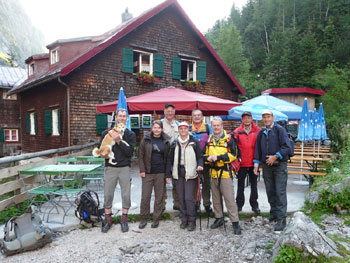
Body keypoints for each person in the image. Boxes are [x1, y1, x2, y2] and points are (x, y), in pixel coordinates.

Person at [253, 109, 292, 231]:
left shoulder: (280, 130)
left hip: (279, 165)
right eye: (264, 117)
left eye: (268, 116)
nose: (266, 119)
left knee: (280, 191)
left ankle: (281, 219)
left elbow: (287, 147)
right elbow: (258, 149)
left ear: (273, 117)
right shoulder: (262, 132)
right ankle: (274, 213)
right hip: (266, 166)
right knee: (270, 191)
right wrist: (256, 164)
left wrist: (275, 156)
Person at [100, 109, 136, 233]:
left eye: (124, 116)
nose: (121, 118)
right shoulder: (106, 133)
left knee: (126, 194)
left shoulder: (130, 134)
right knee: (108, 194)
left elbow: (130, 153)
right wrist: (103, 155)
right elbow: (102, 149)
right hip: (110, 168)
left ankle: (124, 219)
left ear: (127, 119)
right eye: (119, 116)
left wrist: (119, 141)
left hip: (124, 168)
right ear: (116, 118)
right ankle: (108, 219)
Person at [204, 116, 241, 235]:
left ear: (221, 126)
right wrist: (207, 159)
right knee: (216, 199)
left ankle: (235, 222)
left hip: (225, 172)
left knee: (229, 199)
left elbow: (233, 155)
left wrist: (218, 158)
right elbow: (204, 155)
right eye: (214, 125)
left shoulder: (229, 138)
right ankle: (219, 218)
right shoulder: (209, 139)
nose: (216, 127)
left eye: (218, 125)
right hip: (213, 173)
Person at [166, 121, 203, 231]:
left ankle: (192, 220)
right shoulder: (174, 143)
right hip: (178, 172)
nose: (183, 131)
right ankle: (184, 219)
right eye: (181, 129)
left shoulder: (194, 142)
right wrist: (168, 174)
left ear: (188, 130)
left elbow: (200, 156)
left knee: (188, 198)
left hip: (190, 172)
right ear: (179, 130)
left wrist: (200, 165)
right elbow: (169, 159)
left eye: (185, 129)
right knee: (181, 197)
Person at [138, 120, 170, 229]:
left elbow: (168, 159)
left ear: (161, 129)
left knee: (159, 197)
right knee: (145, 197)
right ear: (152, 128)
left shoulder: (166, 141)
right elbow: (140, 155)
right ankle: (143, 219)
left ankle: (156, 219)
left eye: (158, 128)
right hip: (147, 173)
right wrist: (142, 170)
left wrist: (167, 174)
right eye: (155, 127)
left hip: (160, 173)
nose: (156, 129)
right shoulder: (146, 139)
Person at [234, 111, 261, 214]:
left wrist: (259, 162)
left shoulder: (258, 131)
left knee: (254, 185)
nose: (246, 120)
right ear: (242, 120)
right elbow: (234, 147)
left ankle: (254, 205)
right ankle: (239, 205)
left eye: (248, 118)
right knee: (240, 185)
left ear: (251, 119)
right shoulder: (237, 131)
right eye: (244, 118)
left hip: (254, 163)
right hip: (242, 164)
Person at [189, 109, 213, 213]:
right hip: (192, 160)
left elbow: (212, 141)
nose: (197, 117)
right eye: (195, 115)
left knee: (206, 183)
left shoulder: (208, 127)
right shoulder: (189, 128)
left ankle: (207, 204)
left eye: (199, 115)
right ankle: (195, 203)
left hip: (206, 160)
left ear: (202, 117)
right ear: (192, 117)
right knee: (194, 183)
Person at [161, 103, 180, 211]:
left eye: (171, 111)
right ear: (164, 112)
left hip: (175, 156)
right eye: (167, 111)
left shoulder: (177, 124)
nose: (169, 113)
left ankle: (176, 203)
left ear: (174, 112)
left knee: (176, 179)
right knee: (162, 181)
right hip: (163, 156)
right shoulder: (161, 124)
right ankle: (162, 204)